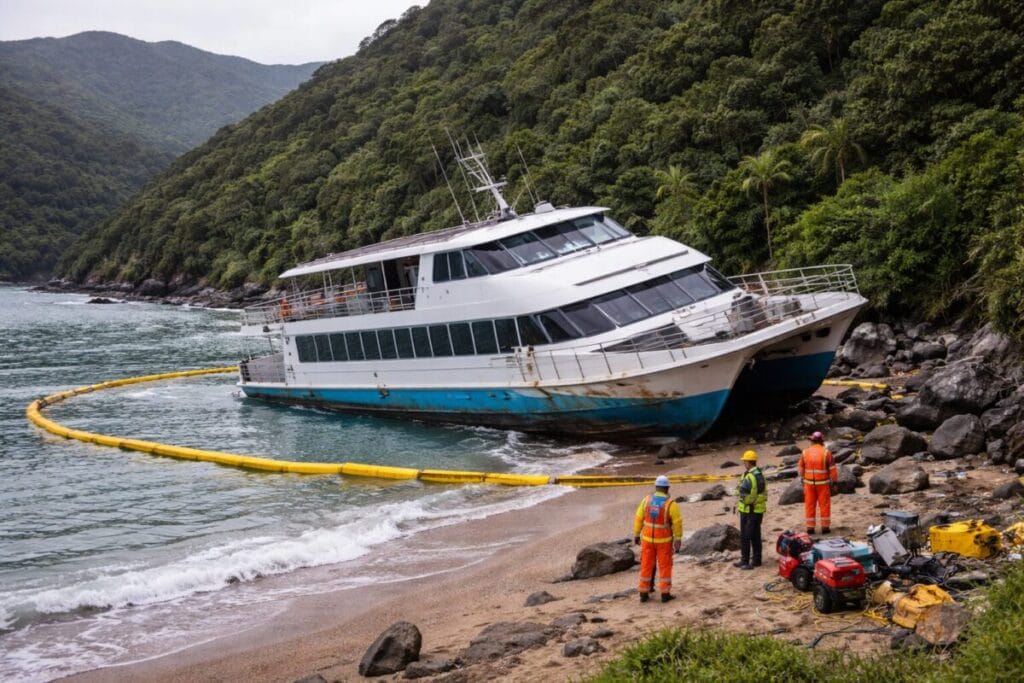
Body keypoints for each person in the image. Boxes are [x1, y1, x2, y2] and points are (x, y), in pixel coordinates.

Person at [633, 475, 683, 603]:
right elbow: (677, 522)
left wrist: (636, 534)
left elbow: (639, 518)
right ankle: (665, 594)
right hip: (664, 542)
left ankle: (643, 593)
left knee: (646, 565)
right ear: (667, 488)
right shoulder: (671, 504)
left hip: (647, 540)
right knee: (665, 566)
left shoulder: (646, 500)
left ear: (656, 487)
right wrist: (678, 539)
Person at [799, 431, 838, 534]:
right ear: (821, 441)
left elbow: (801, 468)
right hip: (823, 484)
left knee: (809, 505)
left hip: (809, 484)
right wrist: (835, 483)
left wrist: (802, 478)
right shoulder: (826, 453)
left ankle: (810, 528)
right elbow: (832, 469)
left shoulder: (805, 452)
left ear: (812, 440)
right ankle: (825, 527)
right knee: (824, 505)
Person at [733, 450, 767, 570]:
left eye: (744, 461)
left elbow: (744, 492)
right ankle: (755, 560)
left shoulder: (751, 476)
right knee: (754, 536)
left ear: (748, 462)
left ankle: (746, 561)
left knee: (746, 537)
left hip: (750, 510)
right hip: (751, 510)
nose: (744, 463)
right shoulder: (757, 474)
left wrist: (741, 496)